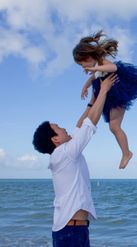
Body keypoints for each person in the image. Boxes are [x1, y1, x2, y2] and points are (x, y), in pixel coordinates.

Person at [32, 74, 117, 246]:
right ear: (55, 140)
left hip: (72, 230)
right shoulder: (65, 154)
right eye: (59, 128)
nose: (64, 128)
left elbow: (81, 124)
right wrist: (104, 91)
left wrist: (93, 100)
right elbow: (89, 123)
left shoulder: (63, 154)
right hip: (72, 232)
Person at [73, 30, 137, 169]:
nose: (83, 67)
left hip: (118, 93)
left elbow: (113, 67)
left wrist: (96, 68)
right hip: (108, 96)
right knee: (113, 127)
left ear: (89, 57)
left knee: (114, 127)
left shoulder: (101, 62)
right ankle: (126, 153)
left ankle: (126, 153)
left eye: (82, 63)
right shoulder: (95, 67)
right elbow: (94, 77)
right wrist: (85, 87)